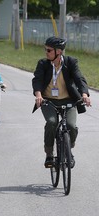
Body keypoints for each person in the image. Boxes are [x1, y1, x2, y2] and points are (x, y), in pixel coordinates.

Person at [32, 36, 91, 168]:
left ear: (58, 52)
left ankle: (68, 148)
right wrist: (38, 95)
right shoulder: (43, 64)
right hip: (48, 101)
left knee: (71, 126)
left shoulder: (70, 62)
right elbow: (37, 80)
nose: (45, 52)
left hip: (69, 100)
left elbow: (79, 78)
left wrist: (84, 94)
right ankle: (49, 154)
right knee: (52, 122)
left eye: (48, 50)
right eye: (45, 50)